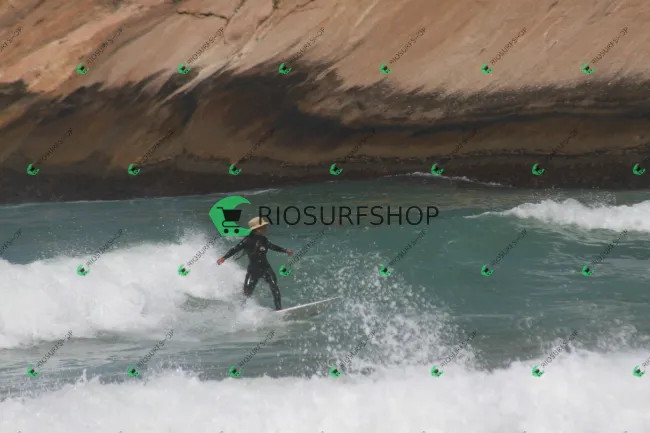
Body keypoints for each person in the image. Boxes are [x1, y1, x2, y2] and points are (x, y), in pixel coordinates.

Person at [217, 217, 293, 311]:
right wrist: (224, 258)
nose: (266, 228)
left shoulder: (264, 239)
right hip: (253, 271)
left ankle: (279, 309)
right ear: (257, 229)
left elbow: (272, 246)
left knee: (274, 286)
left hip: (266, 268)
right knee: (247, 293)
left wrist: (285, 250)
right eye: (264, 227)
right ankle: (240, 310)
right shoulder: (247, 240)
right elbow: (235, 249)